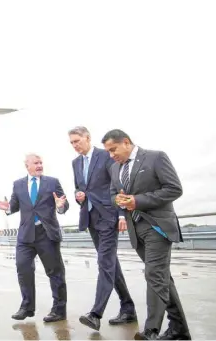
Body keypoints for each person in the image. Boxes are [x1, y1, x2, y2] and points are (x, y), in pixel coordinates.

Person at [102, 129, 191, 340]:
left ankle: (151, 330)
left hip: (157, 227)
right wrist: (117, 200)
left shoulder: (155, 157)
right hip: (136, 229)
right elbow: (114, 193)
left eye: (113, 149)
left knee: (153, 275)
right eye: (108, 152)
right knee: (161, 279)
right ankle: (179, 330)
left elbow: (174, 189)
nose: (111, 155)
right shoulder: (115, 168)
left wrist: (138, 200)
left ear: (126, 142)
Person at [68, 126, 137, 331]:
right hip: (90, 218)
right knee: (110, 264)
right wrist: (78, 195)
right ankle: (128, 308)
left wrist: (122, 214)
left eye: (77, 141)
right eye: (71, 143)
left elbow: (117, 185)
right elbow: (79, 187)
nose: (74, 146)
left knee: (104, 262)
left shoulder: (105, 156)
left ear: (87, 138)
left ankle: (95, 313)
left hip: (108, 216)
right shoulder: (76, 163)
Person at [0, 153, 69, 323]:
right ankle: (27, 307)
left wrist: (61, 206)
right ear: (27, 165)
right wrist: (8, 208)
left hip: (47, 233)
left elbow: (63, 202)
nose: (40, 165)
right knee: (23, 269)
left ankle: (59, 310)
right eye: (36, 163)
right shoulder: (18, 184)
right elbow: (14, 205)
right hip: (25, 234)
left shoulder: (52, 182)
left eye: (41, 162)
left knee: (55, 273)